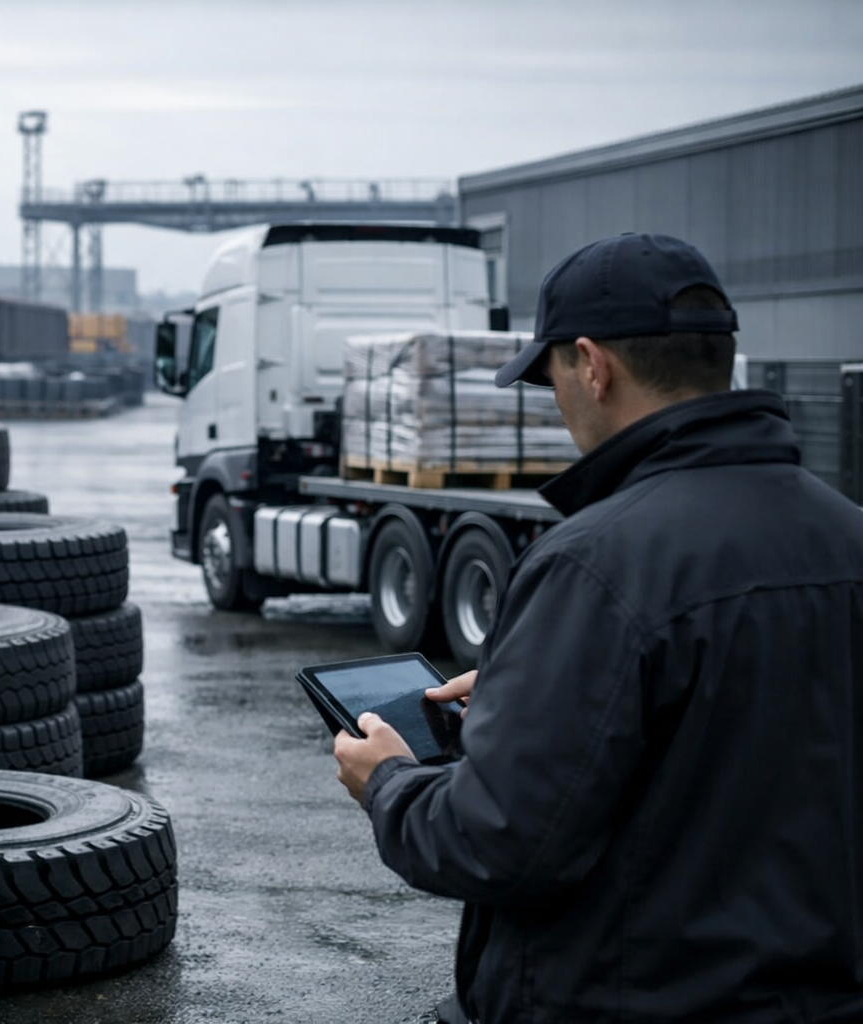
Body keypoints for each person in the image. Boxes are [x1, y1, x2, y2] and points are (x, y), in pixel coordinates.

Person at [333, 232, 863, 1023]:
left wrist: (390, 785)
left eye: (550, 378)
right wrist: (542, 691)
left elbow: (495, 841)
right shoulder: (847, 535)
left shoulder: (596, 564)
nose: (557, 401)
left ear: (591, 364)